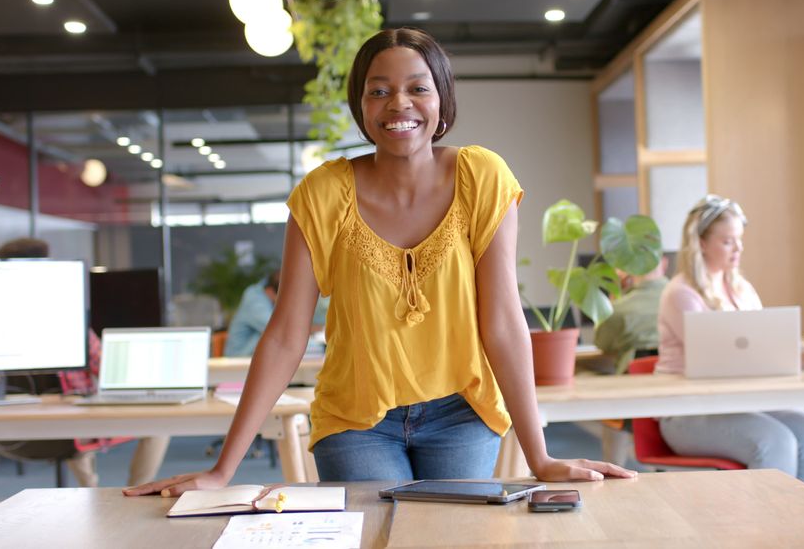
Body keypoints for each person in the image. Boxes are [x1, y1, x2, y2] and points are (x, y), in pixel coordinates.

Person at [126, 28, 635, 497]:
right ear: (360, 104)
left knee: (449, 536)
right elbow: (285, 333)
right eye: (378, 90)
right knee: (379, 532)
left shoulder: (483, 176)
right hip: (355, 417)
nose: (399, 104)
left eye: (418, 88)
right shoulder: (323, 193)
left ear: (442, 99)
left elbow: (502, 321)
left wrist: (538, 456)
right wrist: (221, 470)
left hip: (462, 410)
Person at [654, 195, 804, 492]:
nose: (739, 248)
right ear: (701, 243)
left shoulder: (742, 289)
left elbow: (759, 349)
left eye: (740, 239)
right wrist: (796, 358)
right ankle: (769, 536)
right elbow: (724, 359)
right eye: (728, 241)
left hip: (744, 403)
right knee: (775, 441)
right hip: (688, 413)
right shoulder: (681, 294)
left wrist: (794, 356)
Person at [0, 237, 170, 487]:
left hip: (4, 431)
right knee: (160, 424)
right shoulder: (67, 319)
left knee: (75, 416)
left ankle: (89, 488)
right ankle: (136, 491)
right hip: (72, 427)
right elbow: (108, 368)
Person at [594, 255, 669, 374]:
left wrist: (616, 291)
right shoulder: (688, 298)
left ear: (628, 269)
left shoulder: (616, 311)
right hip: (678, 377)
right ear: (664, 263)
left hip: (633, 381)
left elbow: (602, 343)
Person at [224, 270, 280, 357]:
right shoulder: (255, 301)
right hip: (237, 360)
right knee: (273, 332)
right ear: (270, 291)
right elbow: (278, 329)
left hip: (253, 359)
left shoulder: (265, 297)